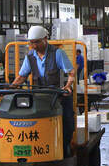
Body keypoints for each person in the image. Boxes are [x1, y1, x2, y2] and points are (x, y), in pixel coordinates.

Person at [11, 26, 76, 157]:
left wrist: (68, 86)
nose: (33, 45)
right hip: (40, 98)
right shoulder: (30, 56)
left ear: (45, 39)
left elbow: (71, 72)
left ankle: (64, 147)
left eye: (36, 42)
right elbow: (22, 76)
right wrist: (10, 88)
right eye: (31, 42)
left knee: (67, 123)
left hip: (59, 96)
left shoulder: (58, 53)